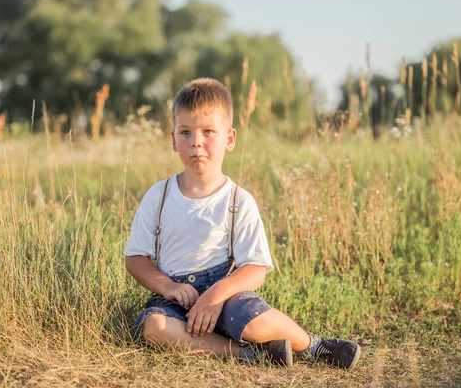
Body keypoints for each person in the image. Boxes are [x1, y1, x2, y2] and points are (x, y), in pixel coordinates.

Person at [124, 78, 361, 368]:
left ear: (230, 139)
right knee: (154, 328)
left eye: (208, 131)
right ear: (174, 139)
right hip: (175, 300)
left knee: (255, 324)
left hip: (225, 294)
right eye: (185, 132)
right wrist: (168, 287)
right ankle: (246, 354)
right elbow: (136, 259)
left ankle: (313, 345)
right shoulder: (158, 196)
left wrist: (215, 295)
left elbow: (255, 269)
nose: (196, 141)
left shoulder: (238, 200)